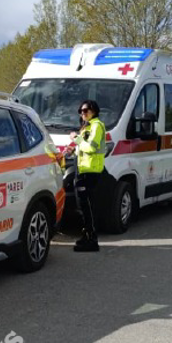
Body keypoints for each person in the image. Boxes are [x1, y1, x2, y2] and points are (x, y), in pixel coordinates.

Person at [67, 100, 106, 252]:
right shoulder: (87, 126)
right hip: (83, 169)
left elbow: (90, 147)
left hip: (90, 171)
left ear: (94, 111)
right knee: (82, 205)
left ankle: (92, 239)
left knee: (87, 206)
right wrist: (71, 150)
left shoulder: (96, 126)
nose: (83, 114)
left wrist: (75, 139)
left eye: (86, 111)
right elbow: (82, 147)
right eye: (81, 111)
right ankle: (86, 235)